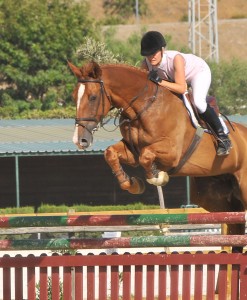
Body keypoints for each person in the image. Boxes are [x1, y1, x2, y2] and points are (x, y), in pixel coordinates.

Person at [140, 30, 231, 156]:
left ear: (162, 50)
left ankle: (223, 137)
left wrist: (160, 81)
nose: (151, 57)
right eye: (148, 54)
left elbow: (182, 88)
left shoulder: (175, 59)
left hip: (198, 72)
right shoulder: (145, 64)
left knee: (198, 102)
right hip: (174, 80)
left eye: (154, 53)